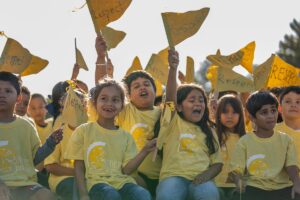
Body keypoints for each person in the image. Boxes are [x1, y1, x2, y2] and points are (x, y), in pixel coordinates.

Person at [65, 79, 155, 200]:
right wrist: (83, 194)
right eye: (103, 98)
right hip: (96, 184)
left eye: (115, 100)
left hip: (123, 183)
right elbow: (79, 166)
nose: (109, 103)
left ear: (122, 105)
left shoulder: (127, 137)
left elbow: (126, 170)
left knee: (143, 194)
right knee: (111, 195)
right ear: (94, 102)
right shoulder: (84, 131)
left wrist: (145, 150)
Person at [95, 35, 162, 196]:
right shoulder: (126, 111)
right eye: (136, 86)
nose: (142, 88)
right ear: (128, 96)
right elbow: (102, 87)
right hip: (133, 176)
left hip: (162, 177)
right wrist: (100, 57)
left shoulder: (163, 112)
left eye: (146, 84)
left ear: (156, 90)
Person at [156, 50, 222, 200]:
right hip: (173, 178)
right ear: (179, 107)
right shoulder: (172, 122)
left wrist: (206, 175)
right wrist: (173, 70)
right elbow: (170, 100)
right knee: (168, 195)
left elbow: (217, 163)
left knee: (209, 194)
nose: (198, 103)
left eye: (201, 100)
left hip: (201, 180)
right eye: (192, 100)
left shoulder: (210, 130)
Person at [0, 72, 63, 200]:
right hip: (2, 184)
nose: (2, 94)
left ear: (18, 98)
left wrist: (50, 143)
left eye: (8, 91)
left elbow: (34, 158)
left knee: (48, 196)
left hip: (26, 184)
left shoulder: (27, 125)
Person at [229, 91, 300, 200]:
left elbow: (291, 165)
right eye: (264, 112)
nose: (270, 116)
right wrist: (238, 180)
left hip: (283, 188)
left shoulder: (286, 140)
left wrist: (296, 182)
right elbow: (236, 169)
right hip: (254, 188)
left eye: (273, 110)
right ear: (252, 118)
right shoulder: (244, 142)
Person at [45, 88, 87, 200]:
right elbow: (50, 166)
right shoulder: (58, 134)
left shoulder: (93, 131)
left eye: (77, 106)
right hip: (63, 179)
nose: (72, 111)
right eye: (67, 107)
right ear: (62, 110)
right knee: (75, 187)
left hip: (89, 178)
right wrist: (78, 174)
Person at [214, 94, 246, 200]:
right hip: (215, 186)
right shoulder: (212, 135)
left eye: (234, 112)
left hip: (238, 188)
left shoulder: (246, 139)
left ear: (241, 115)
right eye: (225, 112)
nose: (230, 116)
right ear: (218, 114)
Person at [275, 86, 300, 169]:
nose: (293, 105)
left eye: (298, 102)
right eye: (288, 101)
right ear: (279, 108)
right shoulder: (271, 132)